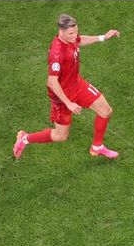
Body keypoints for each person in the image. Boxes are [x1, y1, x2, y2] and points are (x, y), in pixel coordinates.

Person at [13, 13, 120, 160]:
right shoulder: (57, 54)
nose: (75, 36)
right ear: (61, 31)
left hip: (77, 85)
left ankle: (97, 147)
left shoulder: (71, 38)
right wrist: (69, 103)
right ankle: (25, 138)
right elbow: (52, 82)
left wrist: (103, 37)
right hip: (62, 96)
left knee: (105, 111)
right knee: (60, 136)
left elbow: (80, 40)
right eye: (71, 33)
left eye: (76, 31)